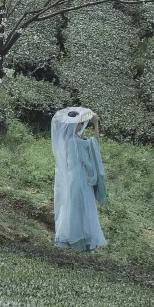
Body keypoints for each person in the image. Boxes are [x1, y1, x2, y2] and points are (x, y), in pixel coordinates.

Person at [51, 104, 107, 250]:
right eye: (80, 123)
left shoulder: (68, 140)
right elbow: (95, 145)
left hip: (72, 177)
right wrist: (95, 124)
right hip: (80, 177)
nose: (82, 125)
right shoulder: (76, 141)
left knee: (72, 206)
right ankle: (79, 238)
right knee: (81, 206)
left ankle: (72, 237)